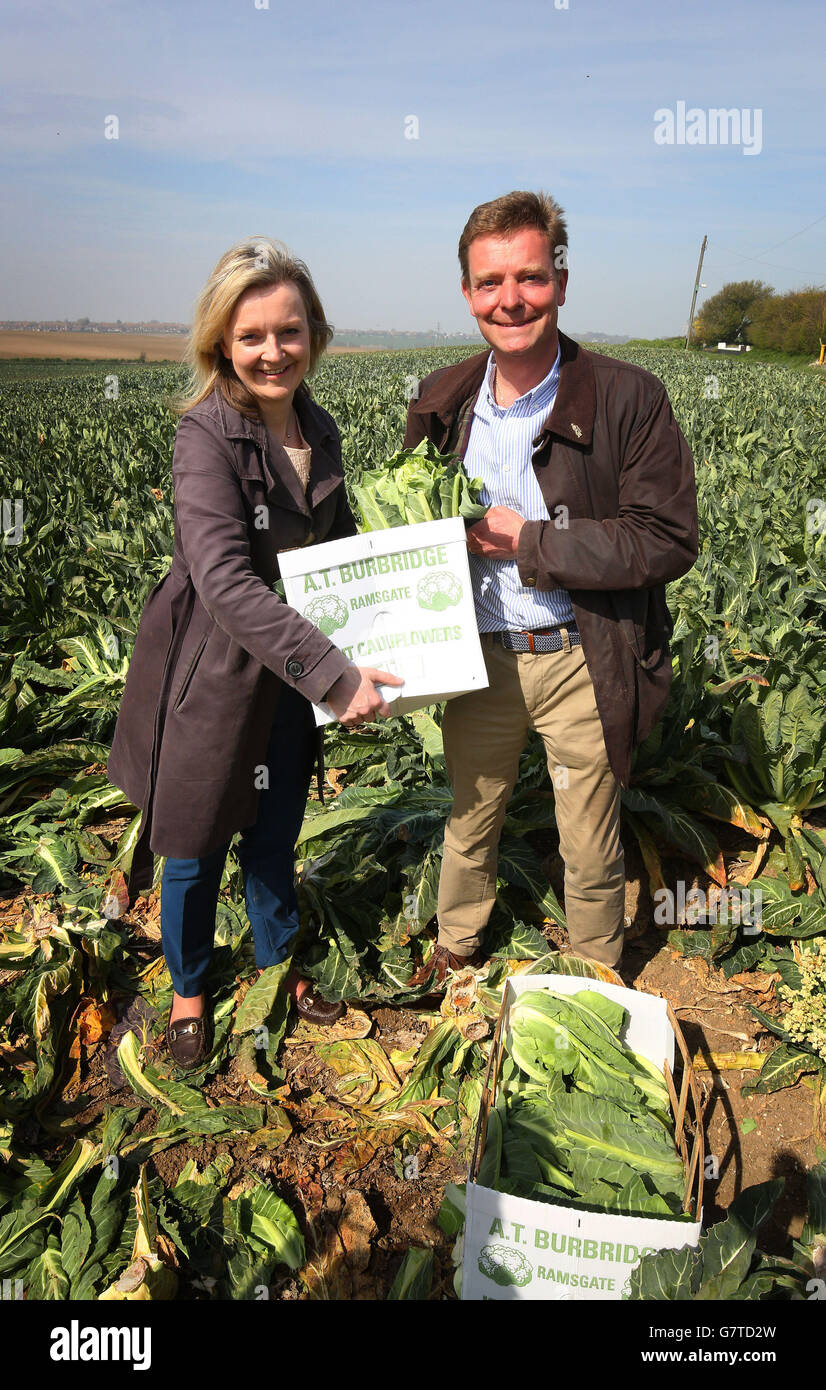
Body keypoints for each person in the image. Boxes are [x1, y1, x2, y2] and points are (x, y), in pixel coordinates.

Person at [107, 237, 402, 1067]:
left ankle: (277, 963)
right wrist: (336, 675)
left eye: (291, 331)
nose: (273, 352)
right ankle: (191, 987)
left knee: (275, 833)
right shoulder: (206, 434)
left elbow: (337, 558)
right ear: (221, 345)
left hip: (288, 672)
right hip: (215, 670)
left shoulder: (321, 429)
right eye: (252, 336)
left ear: (315, 335)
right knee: (194, 842)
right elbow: (228, 584)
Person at [405, 191, 698, 988]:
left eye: (529, 278)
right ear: (468, 293)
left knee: (588, 835)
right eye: (490, 283)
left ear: (560, 282)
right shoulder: (443, 399)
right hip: (484, 655)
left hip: (581, 651)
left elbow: (666, 538)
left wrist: (530, 542)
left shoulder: (629, 397)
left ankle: (594, 975)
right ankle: (457, 942)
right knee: (469, 815)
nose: (511, 299)